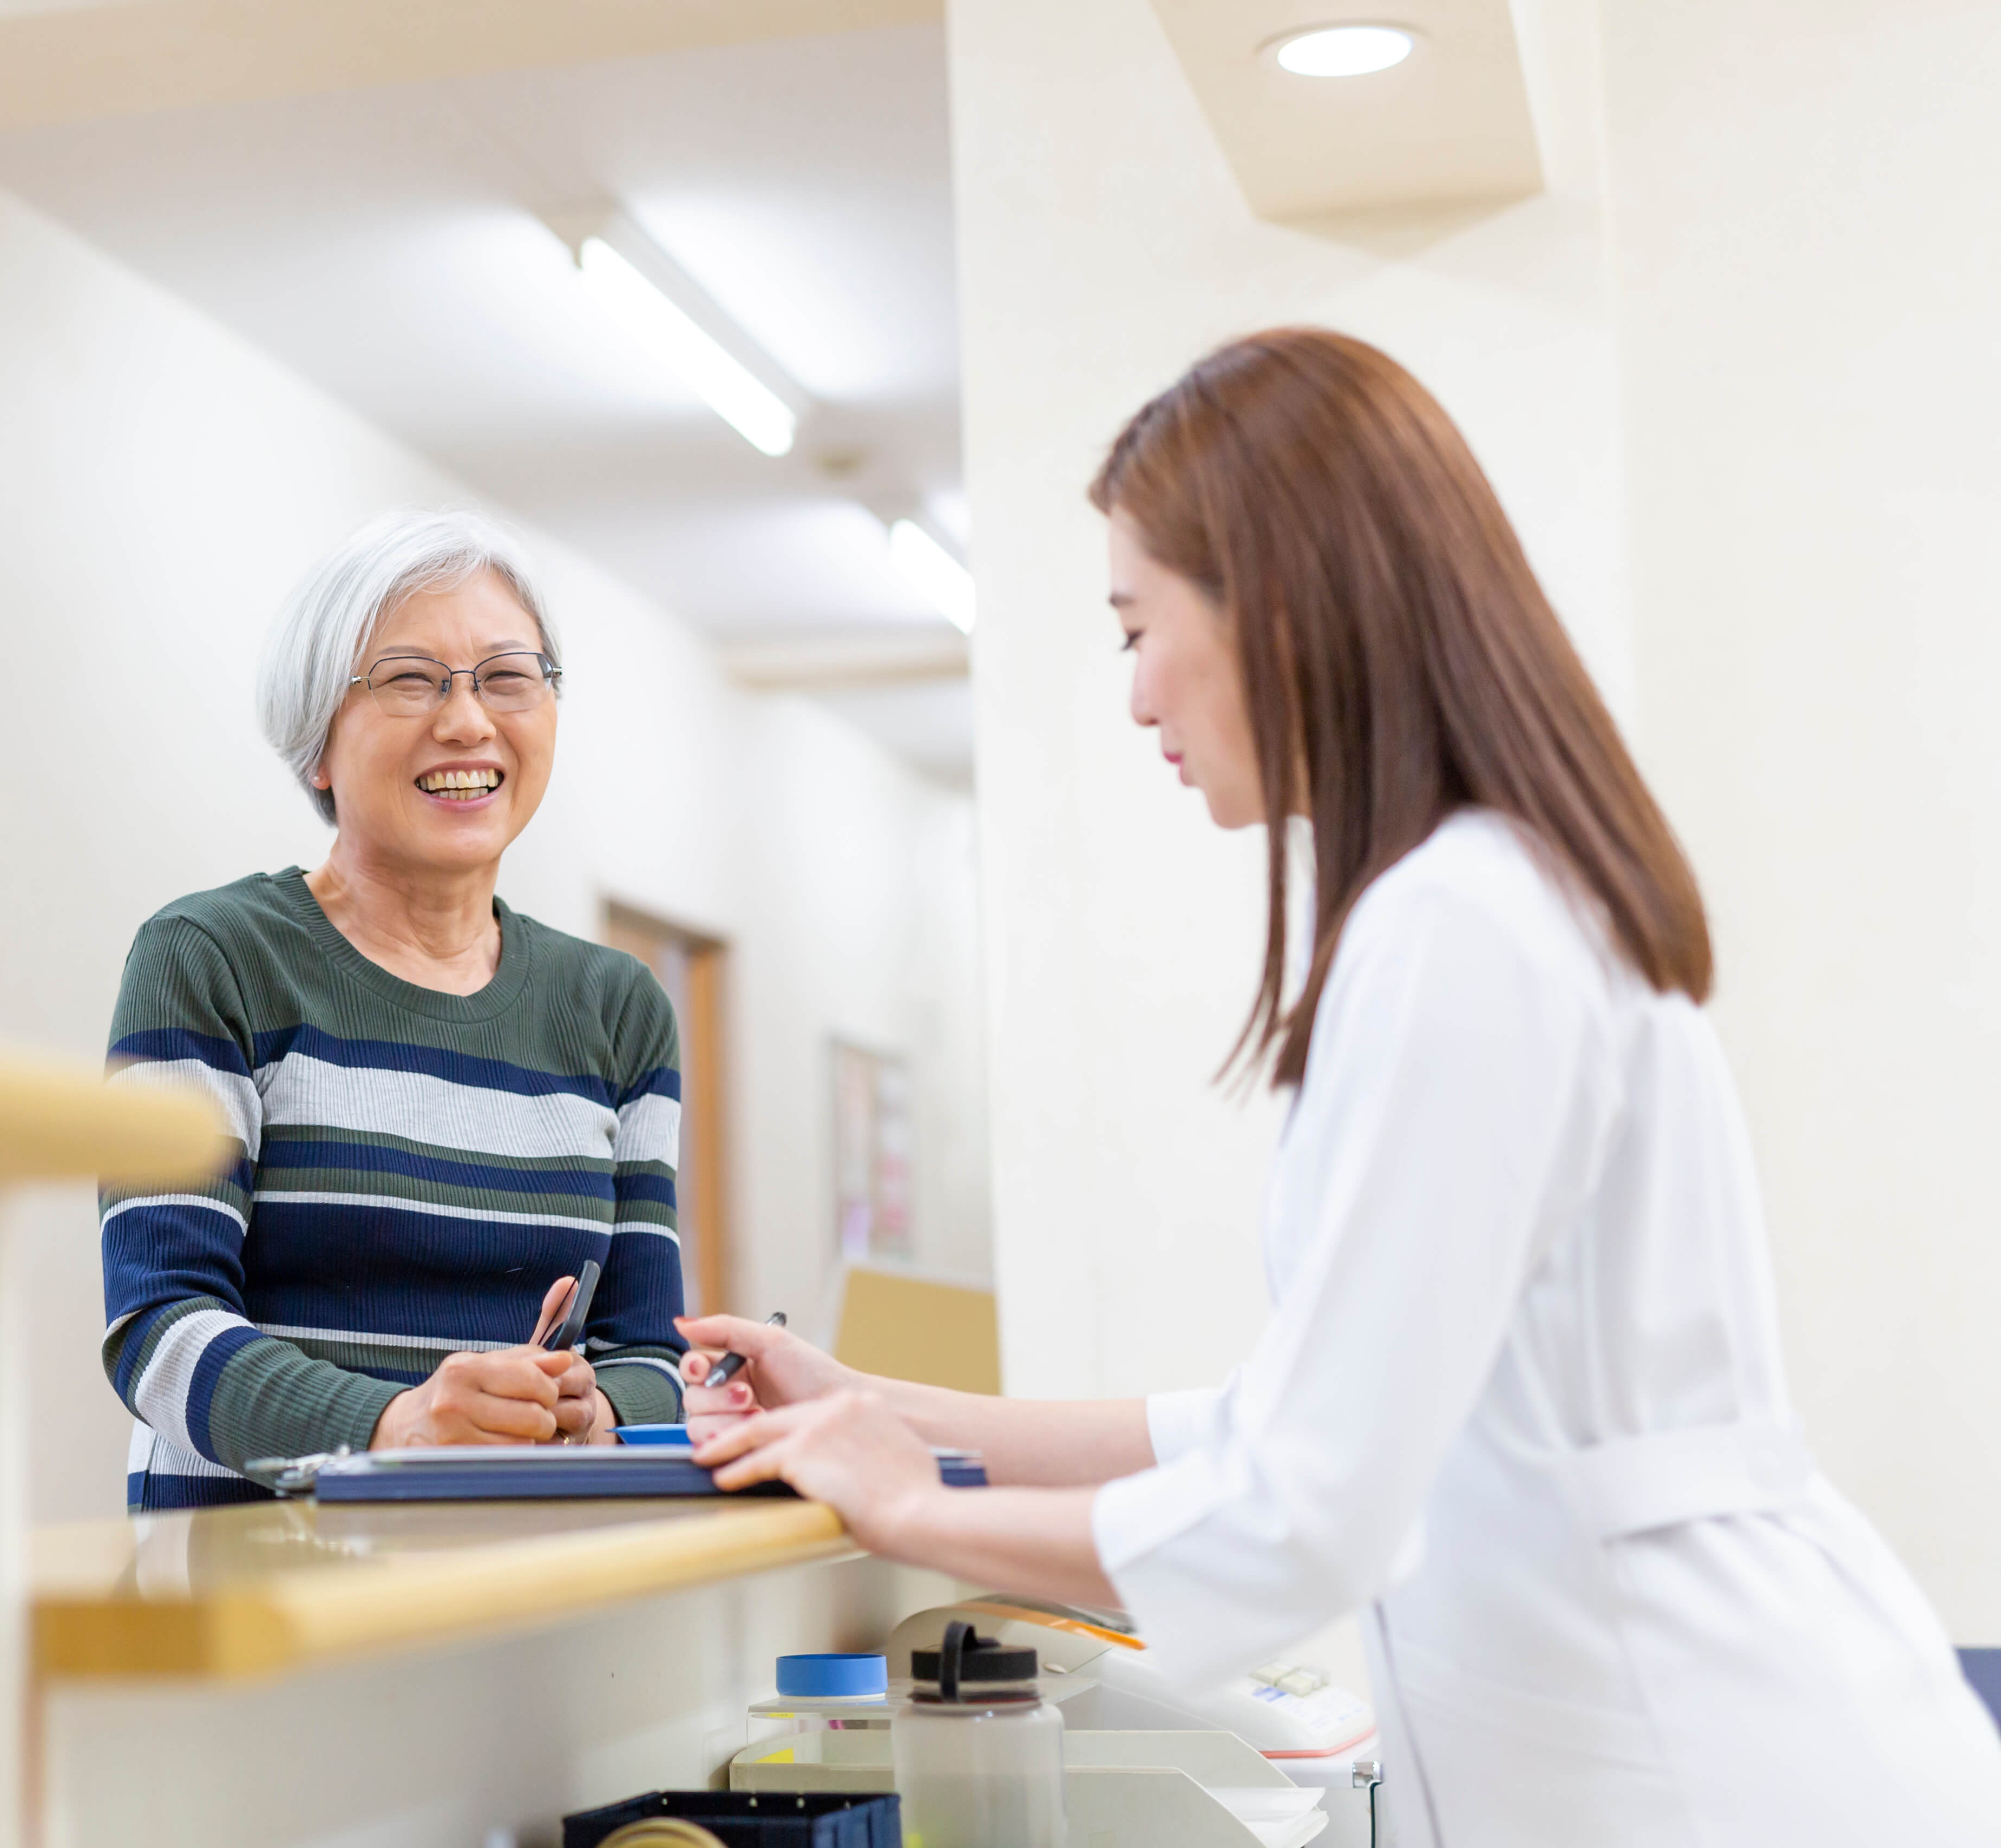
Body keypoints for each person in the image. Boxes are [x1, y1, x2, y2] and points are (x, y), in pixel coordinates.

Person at [680, 330, 2001, 1843]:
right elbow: (1283, 1423)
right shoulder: (1484, 901)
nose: (1133, 698)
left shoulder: (1464, 925)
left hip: (1712, 1765)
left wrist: (907, 1508)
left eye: (1136, 628)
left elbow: (1302, 1512)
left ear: (1284, 607)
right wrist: (881, 1409)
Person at [97, 510, 688, 1509]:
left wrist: (592, 1411)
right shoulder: (210, 959)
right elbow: (159, 1330)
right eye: (412, 681)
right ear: (316, 744)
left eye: (508, 677)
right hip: (253, 1579)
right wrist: (395, 1428)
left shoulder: (616, 1008)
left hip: (514, 1569)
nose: (467, 723)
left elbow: (650, 1355)